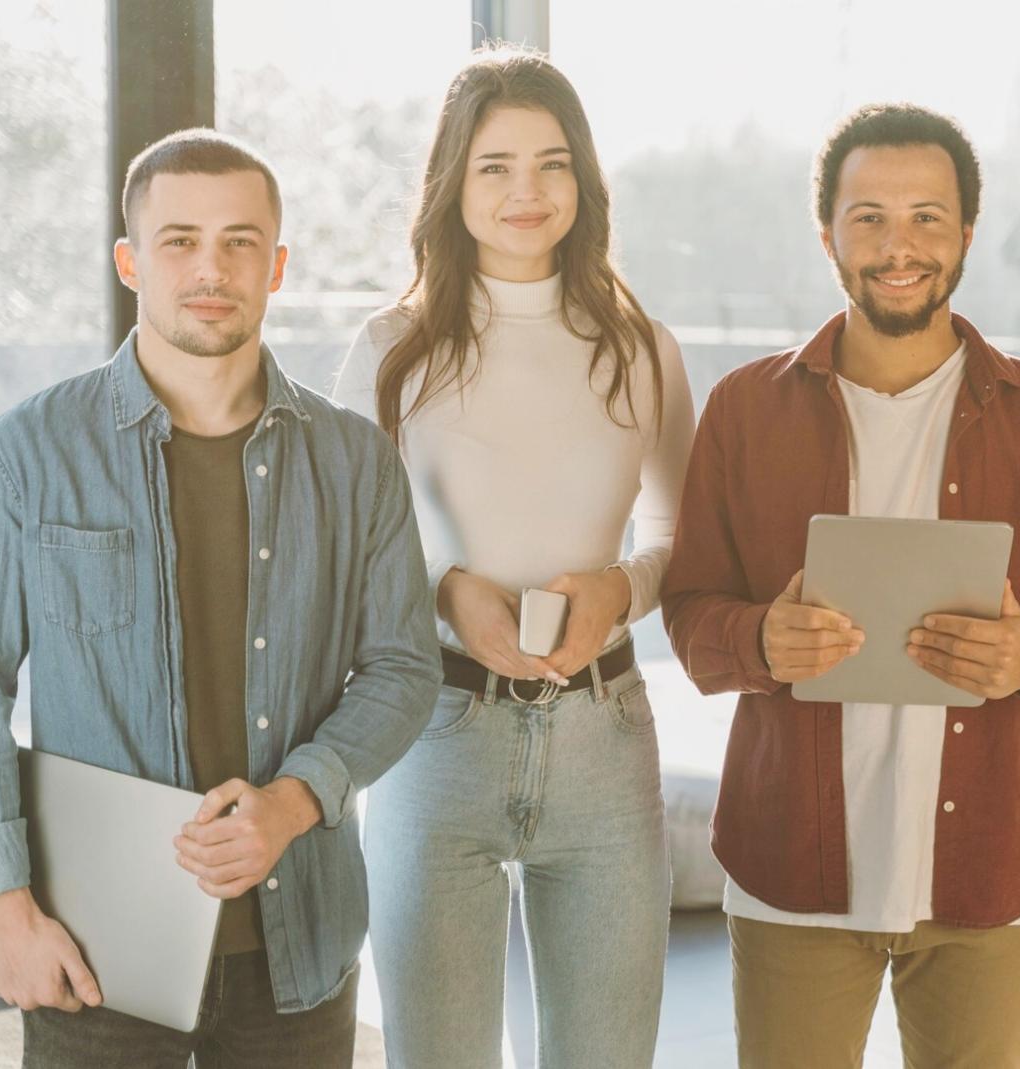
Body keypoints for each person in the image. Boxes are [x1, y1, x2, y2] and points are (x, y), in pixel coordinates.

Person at [0, 129, 444, 1067]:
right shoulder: (25, 454)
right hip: (93, 948)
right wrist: (4, 912)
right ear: (130, 262)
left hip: (299, 947)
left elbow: (404, 666)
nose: (212, 268)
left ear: (276, 265)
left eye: (240, 241)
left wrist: (293, 801)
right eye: (180, 241)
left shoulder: (356, 461)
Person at [659, 103, 1020, 1069]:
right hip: (789, 859)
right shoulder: (744, 408)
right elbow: (689, 605)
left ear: (966, 232)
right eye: (868, 217)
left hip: (986, 864)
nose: (898, 246)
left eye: (926, 217)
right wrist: (757, 640)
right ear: (827, 233)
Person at [332, 47, 694, 1069]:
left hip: (603, 739)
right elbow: (349, 554)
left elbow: (680, 538)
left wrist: (620, 589)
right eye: (494, 166)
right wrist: (446, 593)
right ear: (452, 185)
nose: (525, 192)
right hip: (434, 734)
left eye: (551, 163)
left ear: (584, 179)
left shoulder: (642, 347)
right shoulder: (390, 349)